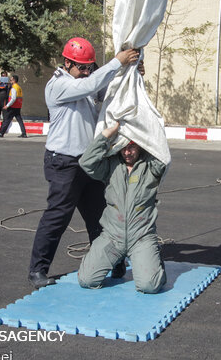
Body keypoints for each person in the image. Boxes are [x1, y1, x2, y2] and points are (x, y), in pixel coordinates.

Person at [27, 37, 139, 289]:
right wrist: (115, 62)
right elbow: (92, 85)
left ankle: (111, 260)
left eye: (90, 67)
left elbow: (106, 89)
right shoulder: (59, 85)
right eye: (82, 66)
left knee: (99, 218)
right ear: (67, 62)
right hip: (63, 162)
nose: (86, 71)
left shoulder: (84, 82)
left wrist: (130, 72)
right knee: (57, 217)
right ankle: (38, 269)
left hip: (89, 162)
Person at [77, 122, 167, 293]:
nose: (127, 152)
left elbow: (162, 153)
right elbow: (86, 162)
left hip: (141, 237)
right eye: (123, 147)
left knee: (150, 285)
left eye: (131, 147)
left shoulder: (151, 166)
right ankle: (117, 260)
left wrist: (146, 130)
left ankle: (155, 260)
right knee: (86, 280)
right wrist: (106, 135)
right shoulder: (110, 165)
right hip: (112, 236)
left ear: (140, 145)